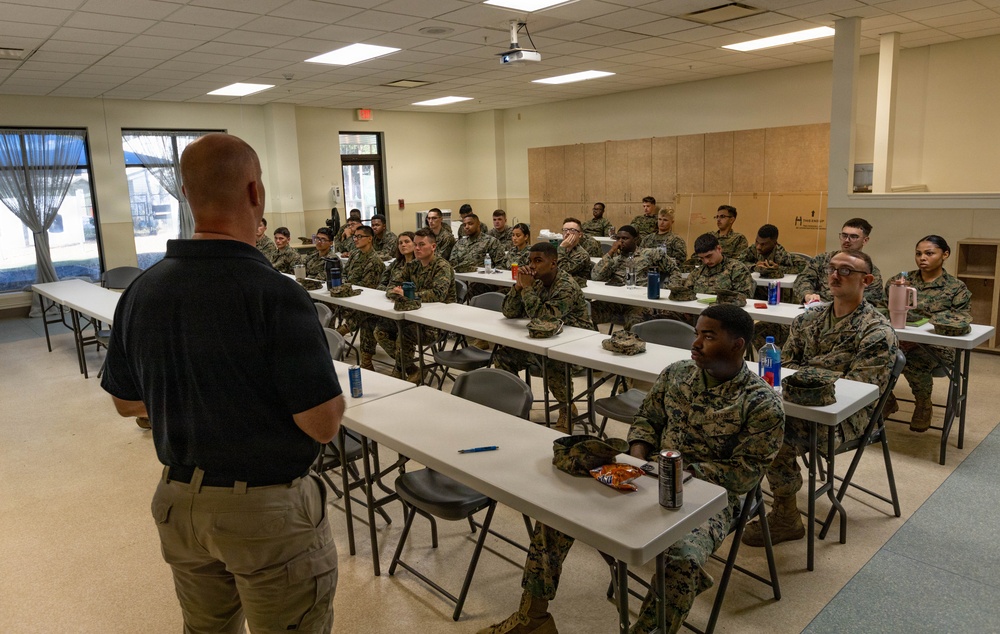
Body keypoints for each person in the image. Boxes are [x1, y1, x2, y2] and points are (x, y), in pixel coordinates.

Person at [100, 133, 343, 633]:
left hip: (179, 503)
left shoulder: (142, 290)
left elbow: (126, 402)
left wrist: (193, 396)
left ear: (186, 194)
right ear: (256, 192)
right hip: (264, 512)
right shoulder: (276, 294)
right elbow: (321, 425)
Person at [480, 304, 784, 634]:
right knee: (558, 513)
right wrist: (637, 457)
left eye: (708, 337)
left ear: (737, 345)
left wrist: (683, 474)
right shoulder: (677, 373)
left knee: (681, 560)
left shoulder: (761, 402)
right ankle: (533, 617)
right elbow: (647, 420)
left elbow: (747, 473)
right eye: (697, 334)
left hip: (712, 498)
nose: (696, 343)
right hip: (649, 473)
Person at [742, 250, 898, 547]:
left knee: (767, 428)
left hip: (847, 417)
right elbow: (786, 365)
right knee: (744, 414)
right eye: (832, 269)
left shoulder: (876, 331)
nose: (835, 275)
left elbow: (857, 389)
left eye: (846, 271)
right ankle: (740, 495)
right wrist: (814, 377)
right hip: (800, 402)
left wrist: (805, 376)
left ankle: (786, 517)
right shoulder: (808, 319)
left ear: (866, 280)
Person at [494, 242, 594, 431]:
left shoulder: (566, 286)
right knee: (503, 356)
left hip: (576, 346)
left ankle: (567, 408)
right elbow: (509, 312)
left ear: (553, 263)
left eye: (538, 261)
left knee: (553, 360)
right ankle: (516, 402)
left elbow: (544, 318)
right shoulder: (536, 281)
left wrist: (527, 289)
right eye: (530, 261)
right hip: (545, 340)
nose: (532, 266)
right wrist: (518, 287)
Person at [881, 235, 972, 431]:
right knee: (869, 356)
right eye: (918, 253)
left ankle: (923, 405)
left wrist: (920, 338)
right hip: (899, 341)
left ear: (945, 254)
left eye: (929, 253)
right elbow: (880, 310)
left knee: (911, 360)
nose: (922, 258)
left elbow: (961, 321)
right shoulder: (900, 282)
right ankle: (886, 400)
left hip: (938, 347)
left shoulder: (955, 288)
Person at [376, 228, 456, 381]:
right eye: (416, 244)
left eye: (422, 245)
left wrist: (407, 294)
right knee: (381, 330)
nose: (417, 248)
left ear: (433, 246)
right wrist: (396, 292)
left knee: (404, 333)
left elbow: (438, 294)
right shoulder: (413, 265)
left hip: (436, 323)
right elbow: (391, 286)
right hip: (413, 315)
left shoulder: (442, 266)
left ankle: (400, 370)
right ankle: (411, 369)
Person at [590, 225, 682, 330]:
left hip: (638, 303)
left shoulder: (650, 254)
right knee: (586, 312)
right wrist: (611, 252)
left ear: (635, 240)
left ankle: (629, 340)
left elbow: (674, 269)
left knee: (635, 323)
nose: (620, 241)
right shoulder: (613, 260)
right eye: (618, 238)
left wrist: (672, 290)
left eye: (625, 238)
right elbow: (596, 277)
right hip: (616, 302)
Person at [794, 217, 885, 305]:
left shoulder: (869, 271)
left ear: (865, 240)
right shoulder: (822, 259)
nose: (847, 240)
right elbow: (803, 279)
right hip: (816, 307)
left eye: (853, 237)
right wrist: (808, 295)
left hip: (849, 312)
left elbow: (871, 300)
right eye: (844, 235)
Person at [686, 233, 754, 297]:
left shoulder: (737, 269)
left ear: (719, 249)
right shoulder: (697, 273)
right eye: (702, 258)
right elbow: (686, 294)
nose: (706, 261)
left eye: (709, 256)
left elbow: (744, 297)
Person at [557, 217, 593, 287]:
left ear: (580, 235)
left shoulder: (582, 255)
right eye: (565, 230)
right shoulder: (562, 250)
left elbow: (562, 270)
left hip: (575, 288)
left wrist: (562, 247)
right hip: (560, 285)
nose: (567, 233)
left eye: (572, 230)